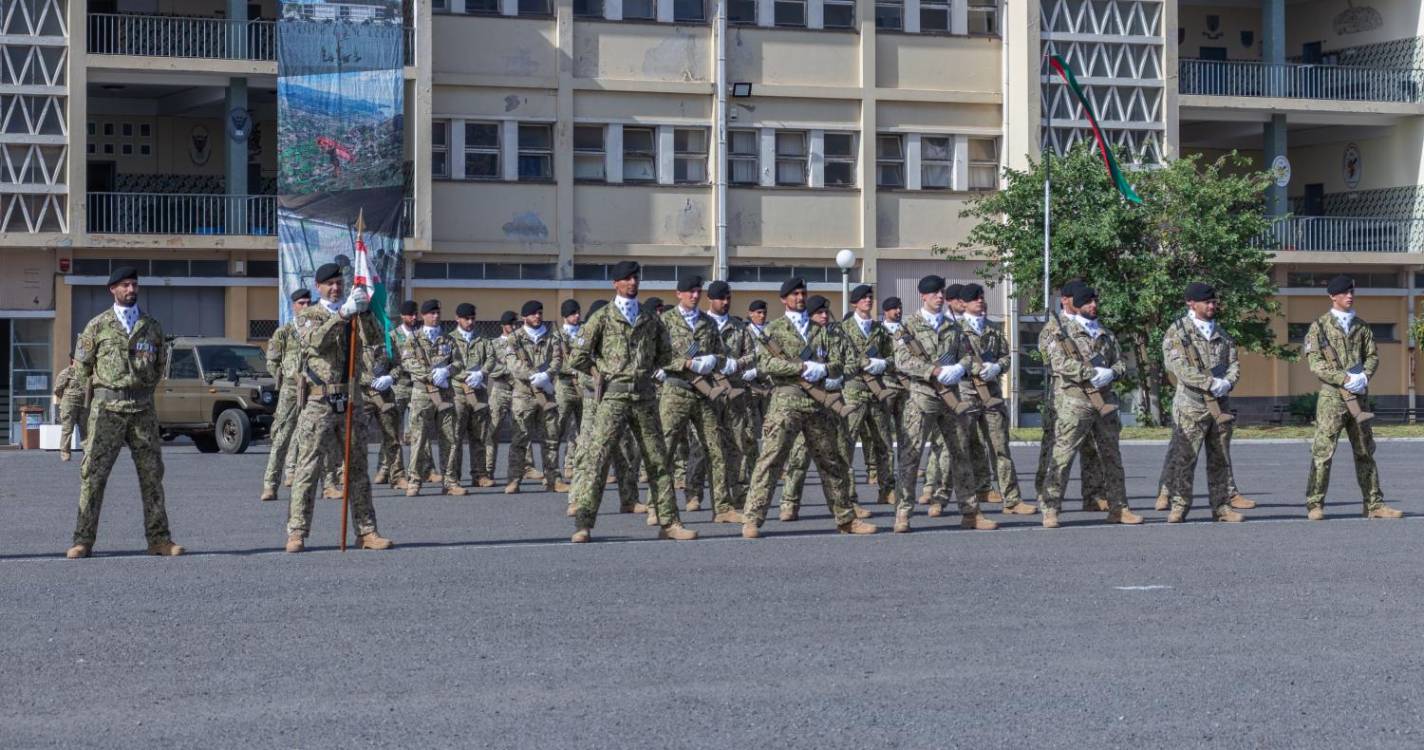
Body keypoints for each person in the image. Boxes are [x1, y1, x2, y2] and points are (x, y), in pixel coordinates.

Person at [567, 261, 697, 542]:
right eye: (626, 279)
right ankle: (583, 524)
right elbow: (577, 356)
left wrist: (688, 364)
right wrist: (597, 372)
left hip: (645, 396)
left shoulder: (650, 318)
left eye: (635, 278)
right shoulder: (602, 317)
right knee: (597, 458)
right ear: (615, 284)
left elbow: (664, 354)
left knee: (658, 459)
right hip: (613, 395)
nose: (632, 283)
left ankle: (669, 522)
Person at [739, 278, 876, 539]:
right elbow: (766, 364)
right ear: (784, 299)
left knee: (831, 461)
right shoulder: (774, 330)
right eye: (794, 294)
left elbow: (839, 360)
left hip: (817, 404)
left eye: (803, 293)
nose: (800, 297)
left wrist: (824, 369)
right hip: (786, 402)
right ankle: (752, 519)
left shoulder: (820, 330)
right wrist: (800, 368)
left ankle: (845, 518)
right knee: (771, 461)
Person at [66, 266, 183, 559]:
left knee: (152, 475)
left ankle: (159, 539)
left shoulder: (151, 326)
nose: (131, 290)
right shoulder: (97, 326)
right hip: (107, 411)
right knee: (93, 476)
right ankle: (83, 541)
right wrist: (81, 411)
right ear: (112, 290)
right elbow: (80, 370)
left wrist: (140, 389)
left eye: (134, 284)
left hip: (142, 409)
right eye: (125, 285)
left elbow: (159, 367)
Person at [283, 263, 393, 552]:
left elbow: (376, 339)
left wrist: (364, 310)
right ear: (318, 287)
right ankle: (297, 532)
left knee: (357, 467)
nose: (335, 288)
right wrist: (341, 316)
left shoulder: (354, 313)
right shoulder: (309, 316)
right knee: (308, 467)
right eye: (329, 284)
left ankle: (366, 531)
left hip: (351, 399)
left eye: (339, 283)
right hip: (320, 400)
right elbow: (316, 343)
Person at [892, 275, 994, 534]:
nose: (940, 296)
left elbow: (968, 356)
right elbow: (902, 361)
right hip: (921, 398)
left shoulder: (953, 327)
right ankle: (903, 514)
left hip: (951, 399)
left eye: (941, 292)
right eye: (934, 293)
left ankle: (971, 512)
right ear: (923, 296)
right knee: (910, 456)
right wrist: (934, 372)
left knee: (961, 454)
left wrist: (960, 368)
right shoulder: (907, 328)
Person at [1302, 275, 1404, 521]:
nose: (1350, 296)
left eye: (1351, 292)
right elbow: (1315, 363)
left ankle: (1374, 504)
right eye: (1344, 292)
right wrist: (1344, 378)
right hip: (1332, 399)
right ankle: (1314, 504)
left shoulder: (1362, 326)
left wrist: (1365, 376)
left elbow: (1372, 356)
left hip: (1359, 398)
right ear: (1332, 296)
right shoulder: (1319, 327)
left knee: (1365, 451)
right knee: (1323, 452)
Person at [1039, 286, 1141, 529]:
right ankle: (1050, 508)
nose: (1093, 305)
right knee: (1062, 457)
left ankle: (1119, 507)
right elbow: (1058, 362)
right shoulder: (1060, 331)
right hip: (1074, 401)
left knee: (1112, 457)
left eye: (1095, 301)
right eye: (1087, 302)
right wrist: (1090, 373)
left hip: (1104, 402)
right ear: (1074, 303)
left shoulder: (1104, 332)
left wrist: (1111, 374)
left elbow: (1120, 362)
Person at [1157, 282, 1245, 523]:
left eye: (1214, 302)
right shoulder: (1178, 333)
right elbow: (1179, 368)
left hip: (1220, 405)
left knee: (1220, 458)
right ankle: (1179, 506)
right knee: (1185, 458)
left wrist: (1227, 382)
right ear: (1191, 303)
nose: (1211, 305)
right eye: (1207, 302)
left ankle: (1222, 508)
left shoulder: (1222, 334)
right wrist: (1209, 383)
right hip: (1191, 405)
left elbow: (1234, 362)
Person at [657, 276, 742, 522]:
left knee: (715, 449)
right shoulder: (664, 322)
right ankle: (658, 507)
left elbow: (719, 353)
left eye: (697, 292)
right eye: (690, 292)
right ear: (678, 294)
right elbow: (655, 357)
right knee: (666, 449)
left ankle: (723, 508)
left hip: (705, 394)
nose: (694, 296)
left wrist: (714, 360)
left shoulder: (707, 323)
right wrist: (685, 363)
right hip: (675, 391)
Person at [957, 283, 1036, 516]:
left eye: (981, 297)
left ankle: (1011, 500)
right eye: (974, 298)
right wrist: (975, 367)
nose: (980, 301)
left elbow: (1005, 357)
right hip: (966, 394)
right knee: (964, 448)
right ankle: (968, 500)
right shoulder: (954, 330)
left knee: (1000, 448)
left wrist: (997, 367)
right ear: (963, 304)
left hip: (991, 396)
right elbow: (949, 358)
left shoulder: (992, 329)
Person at [1036, 281, 1107, 512]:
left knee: (1093, 449)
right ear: (1064, 300)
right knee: (1055, 449)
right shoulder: (1053, 328)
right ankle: (1044, 493)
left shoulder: (1091, 325)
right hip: (1061, 397)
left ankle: (1094, 495)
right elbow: (1050, 360)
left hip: (1091, 395)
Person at [401, 300, 467, 497]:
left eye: (437, 313)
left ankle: (450, 481)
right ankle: (414, 480)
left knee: (450, 438)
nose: (435, 316)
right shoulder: (413, 339)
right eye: (431, 313)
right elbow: (408, 362)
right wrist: (431, 375)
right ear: (423, 316)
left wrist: (447, 371)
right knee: (419, 439)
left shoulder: (447, 340)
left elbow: (458, 362)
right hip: (422, 393)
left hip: (445, 393)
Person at [503, 300, 569, 494]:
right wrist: (534, 377)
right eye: (533, 314)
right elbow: (512, 364)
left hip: (547, 392)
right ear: (524, 317)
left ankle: (553, 479)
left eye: (540, 313)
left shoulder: (551, 336)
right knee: (519, 438)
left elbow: (557, 360)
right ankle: (514, 479)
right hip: (524, 395)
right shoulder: (514, 339)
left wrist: (547, 376)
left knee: (551, 438)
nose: (537, 316)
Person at [841, 284, 898, 506]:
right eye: (863, 298)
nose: (868, 301)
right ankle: (849, 495)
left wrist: (883, 363)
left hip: (877, 393)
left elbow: (894, 358)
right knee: (846, 444)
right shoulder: (842, 329)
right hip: (853, 391)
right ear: (854, 303)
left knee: (883, 443)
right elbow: (838, 360)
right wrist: (864, 363)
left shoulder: (880, 330)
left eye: (870, 297)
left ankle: (887, 489)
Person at [260, 288, 313, 500]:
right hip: (290, 389)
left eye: (309, 303)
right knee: (282, 436)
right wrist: (283, 381)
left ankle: (327, 483)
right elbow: (272, 360)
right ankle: (270, 484)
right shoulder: (284, 332)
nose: (306, 307)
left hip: (313, 388)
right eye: (302, 303)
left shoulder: (317, 330)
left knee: (317, 435)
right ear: (293, 305)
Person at [448, 302, 494, 488]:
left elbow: (491, 358)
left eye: (473, 318)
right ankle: (454, 476)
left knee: (480, 436)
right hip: (458, 392)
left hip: (479, 392)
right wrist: (462, 375)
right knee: (455, 437)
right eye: (466, 318)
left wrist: (482, 373)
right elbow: (444, 362)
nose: (470, 321)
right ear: (457, 318)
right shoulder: (449, 339)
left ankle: (480, 475)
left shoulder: (482, 340)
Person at [553, 299, 584, 483]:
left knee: (580, 428)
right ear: (565, 316)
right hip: (564, 384)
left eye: (578, 312)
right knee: (558, 427)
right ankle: (553, 468)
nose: (577, 316)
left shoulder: (583, 333)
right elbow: (555, 361)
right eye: (573, 313)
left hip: (581, 384)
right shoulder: (558, 336)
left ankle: (571, 465)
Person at [53, 358, 88, 462]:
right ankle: (65, 452)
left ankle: (87, 452)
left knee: (86, 430)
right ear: (73, 360)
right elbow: (57, 389)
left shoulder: (86, 373)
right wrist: (66, 399)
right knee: (67, 429)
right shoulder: (66, 373)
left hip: (83, 405)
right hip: (69, 405)